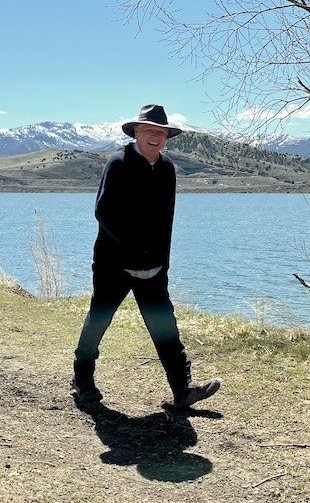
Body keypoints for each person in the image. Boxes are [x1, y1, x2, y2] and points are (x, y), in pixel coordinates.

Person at [71, 104, 220, 409]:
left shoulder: (166, 169)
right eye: (149, 130)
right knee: (98, 322)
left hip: (153, 268)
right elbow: (104, 212)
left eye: (161, 133)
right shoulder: (118, 163)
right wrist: (132, 251)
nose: (156, 137)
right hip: (114, 264)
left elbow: (167, 219)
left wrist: (162, 263)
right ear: (136, 132)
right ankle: (82, 382)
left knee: (165, 326)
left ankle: (182, 390)